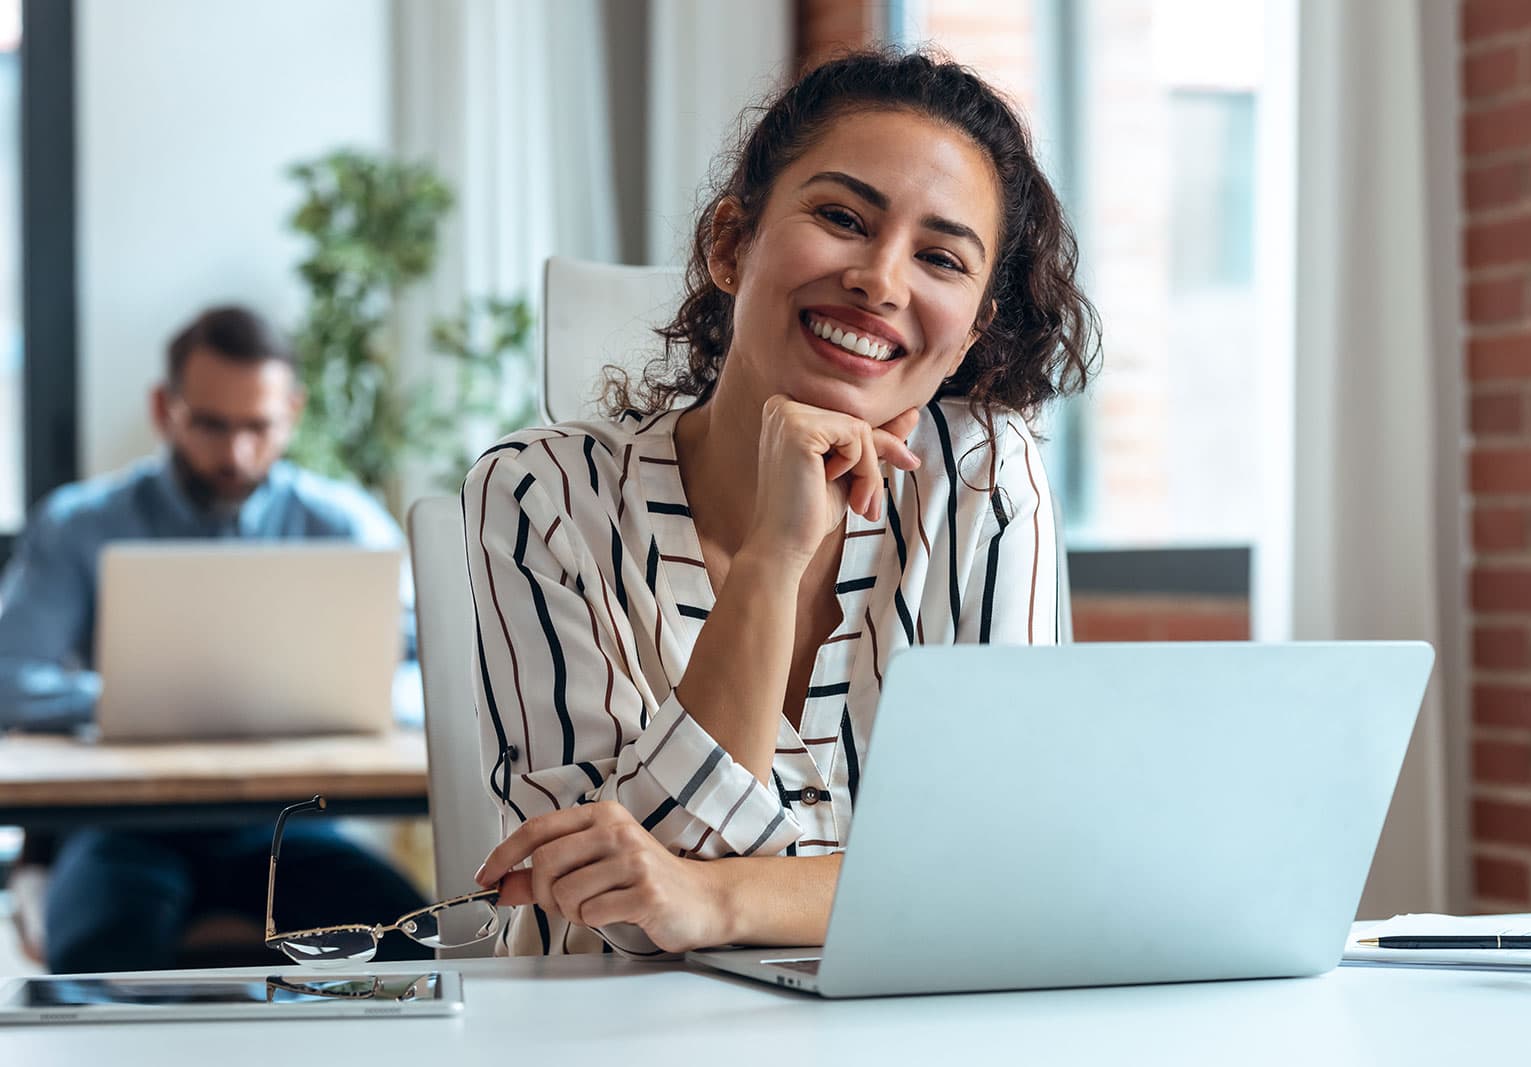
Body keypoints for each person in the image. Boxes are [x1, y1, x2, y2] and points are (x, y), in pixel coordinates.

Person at [466, 49, 1099, 957]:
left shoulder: (986, 476)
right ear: (731, 245)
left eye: (940, 258)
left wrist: (715, 901)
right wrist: (772, 557)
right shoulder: (541, 495)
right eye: (842, 217)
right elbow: (606, 921)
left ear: (970, 334)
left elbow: (1012, 873)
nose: (881, 281)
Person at [0, 305, 429, 972]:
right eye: (210, 424)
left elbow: (433, 670)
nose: (235, 454)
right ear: (163, 408)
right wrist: (131, 698)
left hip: (294, 826)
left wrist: (345, 693)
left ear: (292, 410)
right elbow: (8, 675)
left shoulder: (347, 529)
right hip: (129, 828)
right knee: (94, 967)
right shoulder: (78, 525)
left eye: (258, 427)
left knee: (417, 947)